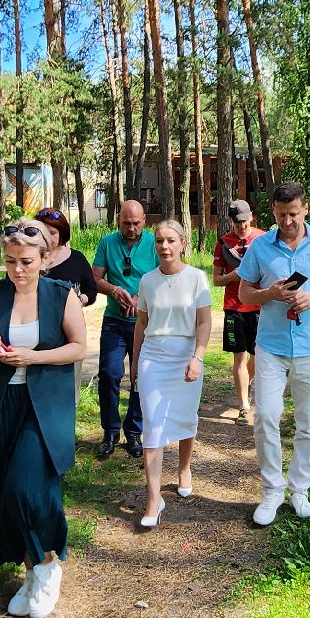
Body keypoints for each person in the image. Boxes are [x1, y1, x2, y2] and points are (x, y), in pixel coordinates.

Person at [0, 219, 89, 618]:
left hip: (42, 404)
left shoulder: (61, 295)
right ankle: (29, 571)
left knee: (27, 487)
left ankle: (48, 566)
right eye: (11, 261)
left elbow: (79, 348)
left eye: (27, 262)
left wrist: (30, 357)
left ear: (45, 258)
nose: (17, 270)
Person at [236, 181, 310, 527]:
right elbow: (244, 292)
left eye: (293, 214)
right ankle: (272, 489)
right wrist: (268, 293)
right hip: (270, 346)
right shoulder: (260, 247)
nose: (287, 221)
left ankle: (300, 489)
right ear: (273, 212)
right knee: (266, 417)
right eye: (281, 214)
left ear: (306, 210)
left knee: (308, 422)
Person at [130, 220, 212, 528]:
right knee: (152, 426)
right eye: (160, 241)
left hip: (186, 355)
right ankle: (153, 499)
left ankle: (184, 468)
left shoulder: (197, 278)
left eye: (170, 241)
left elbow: (204, 323)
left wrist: (197, 357)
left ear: (182, 243)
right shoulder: (147, 281)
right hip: (154, 356)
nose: (164, 246)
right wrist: (135, 364)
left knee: (185, 417)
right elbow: (141, 325)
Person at [91, 199, 157, 459]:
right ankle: (109, 430)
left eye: (136, 223)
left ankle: (134, 431)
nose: (131, 228)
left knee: (140, 376)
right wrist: (115, 290)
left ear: (144, 222)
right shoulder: (107, 242)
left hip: (145, 320)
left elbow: (165, 275)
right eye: (125, 223)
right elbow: (95, 278)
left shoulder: (154, 243)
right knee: (109, 373)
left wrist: (140, 296)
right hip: (114, 320)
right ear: (118, 220)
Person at [212, 198, 263, 424]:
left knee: (259, 355)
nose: (241, 226)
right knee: (239, 356)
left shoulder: (263, 239)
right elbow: (216, 279)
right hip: (234, 307)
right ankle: (243, 406)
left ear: (251, 217)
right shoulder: (223, 243)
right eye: (237, 221)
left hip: (260, 305)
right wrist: (234, 276)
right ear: (231, 220)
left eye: (244, 220)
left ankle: (247, 381)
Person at [34, 206, 97, 307]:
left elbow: (91, 291)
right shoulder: (26, 260)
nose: (47, 238)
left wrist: (79, 300)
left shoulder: (77, 259)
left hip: (68, 320)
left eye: (52, 233)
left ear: (62, 233)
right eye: (42, 233)